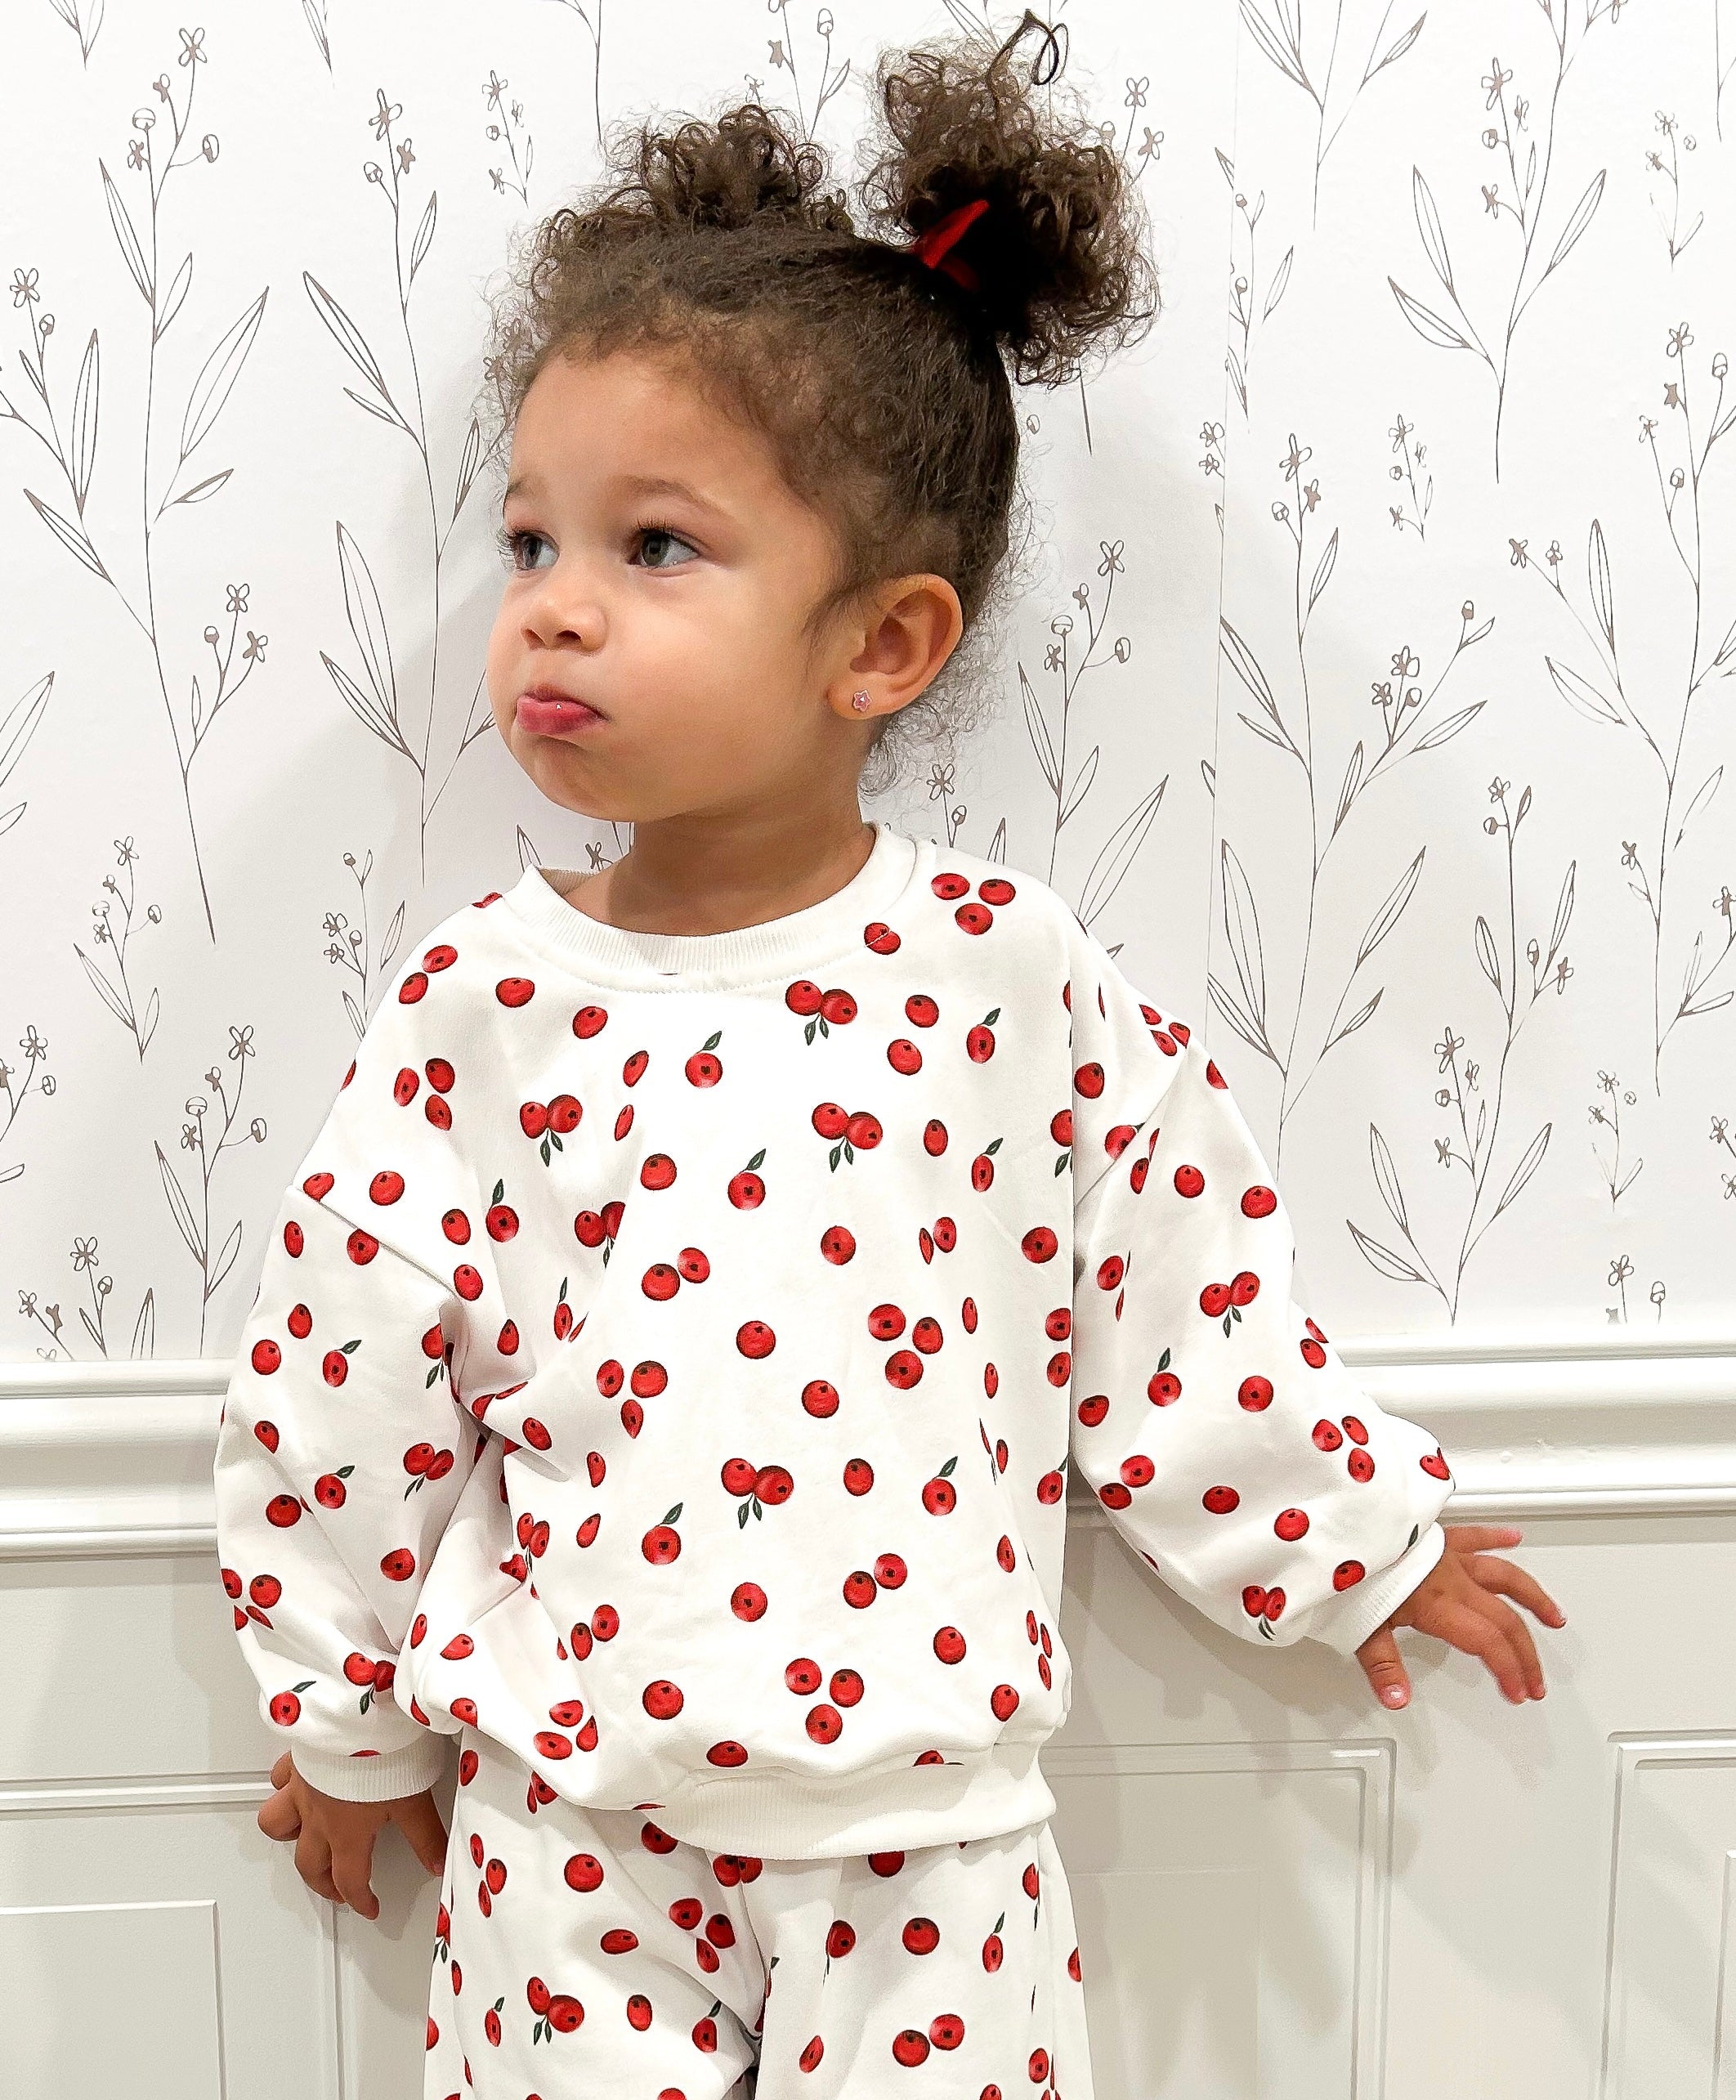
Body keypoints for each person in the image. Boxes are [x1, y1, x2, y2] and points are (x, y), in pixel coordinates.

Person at [212, 14, 1565, 2095]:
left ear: (884, 643)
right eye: (530, 542)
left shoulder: (1006, 983)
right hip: (573, 1849)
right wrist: (345, 1723)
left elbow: (1177, 1297)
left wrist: (1350, 1537)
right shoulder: (483, 1002)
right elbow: (342, 1380)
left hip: (928, 1854)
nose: (553, 612)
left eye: (652, 546)